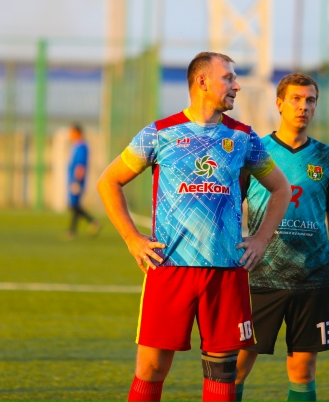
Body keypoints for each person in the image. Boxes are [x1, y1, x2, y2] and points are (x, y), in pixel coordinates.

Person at [97, 52, 291, 402]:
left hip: (226, 272)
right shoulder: (159, 133)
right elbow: (109, 181)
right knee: (151, 369)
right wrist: (131, 238)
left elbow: (281, 188)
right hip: (170, 267)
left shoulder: (244, 137)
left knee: (222, 373)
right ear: (202, 81)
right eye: (228, 78)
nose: (236, 85)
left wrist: (261, 239)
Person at [235, 73, 329, 402]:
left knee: (303, 370)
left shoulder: (327, 158)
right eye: (296, 99)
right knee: (237, 365)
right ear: (279, 104)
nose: (303, 106)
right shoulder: (256, 152)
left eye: (310, 100)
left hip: (312, 277)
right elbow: (232, 207)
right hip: (259, 275)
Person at [66, 123, 100, 239]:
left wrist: (76, 181)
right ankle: (87, 224)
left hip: (77, 180)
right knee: (74, 206)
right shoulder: (76, 146)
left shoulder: (82, 147)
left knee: (74, 206)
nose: (70, 135)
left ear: (77, 133)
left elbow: (80, 165)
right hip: (73, 179)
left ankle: (89, 223)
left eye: (72, 132)